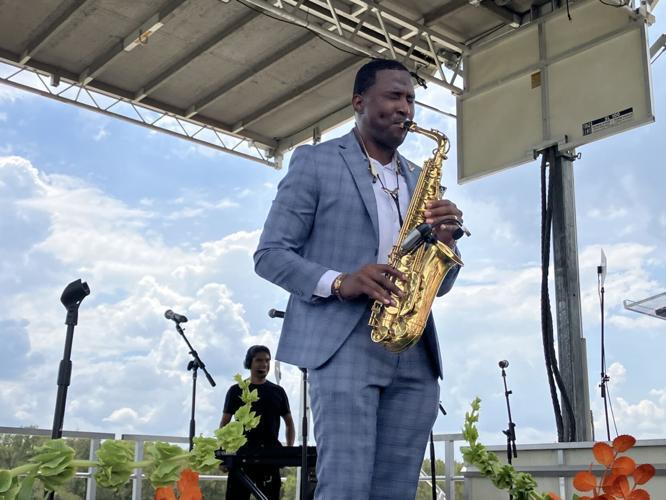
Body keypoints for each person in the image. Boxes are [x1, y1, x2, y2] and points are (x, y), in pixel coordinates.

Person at [253, 58, 463, 500]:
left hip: (414, 349)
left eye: (410, 99)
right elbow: (270, 255)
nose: (405, 107)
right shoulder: (315, 162)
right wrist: (340, 281)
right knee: (345, 486)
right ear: (359, 102)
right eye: (393, 96)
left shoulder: (419, 177)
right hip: (343, 342)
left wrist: (446, 241)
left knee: (397, 489)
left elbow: (438, 285)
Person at [220, 345, 295, 500]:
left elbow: (289, 423)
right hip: (241, 456)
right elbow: (225, 424)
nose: (264, 365)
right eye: (259, 360)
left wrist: (288, 450)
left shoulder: (278, 391)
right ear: (250, 363)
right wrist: (223, 455)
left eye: (267, 361)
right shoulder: (236, 390)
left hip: (270, 456)